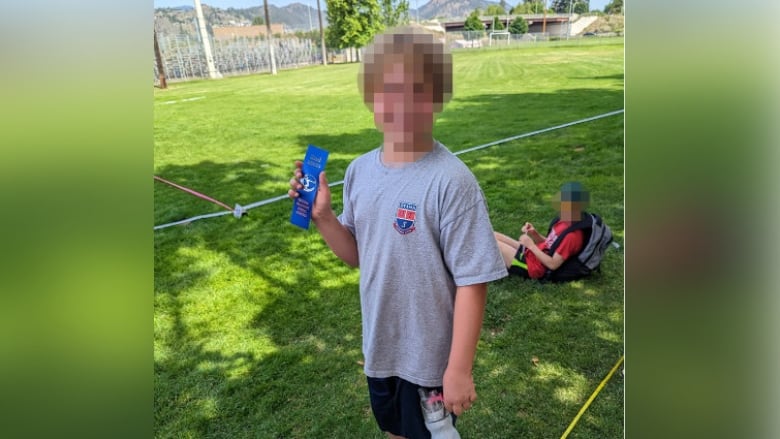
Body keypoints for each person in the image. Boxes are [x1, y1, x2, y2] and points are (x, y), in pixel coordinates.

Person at [288, 26, 507, 439]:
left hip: (428, 361)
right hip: (381, 349)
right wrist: (324, 218)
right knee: (394, 430)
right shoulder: (359, 171)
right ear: (371, 98)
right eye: (389, 90)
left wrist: (458, 368)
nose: (402, 104)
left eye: (417, 90)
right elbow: (358, 254)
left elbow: (473, 281)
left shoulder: (451, 182)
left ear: (439, 98)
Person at [494, 182, 589, 280]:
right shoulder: (564, 221)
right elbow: (549, 244)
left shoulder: (572, 237)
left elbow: (553, 264)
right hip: (533, 253)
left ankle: (484, 270)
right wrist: (534, 233)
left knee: (494, 244)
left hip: (533, 267)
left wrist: (531, 245)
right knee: (492, 235)